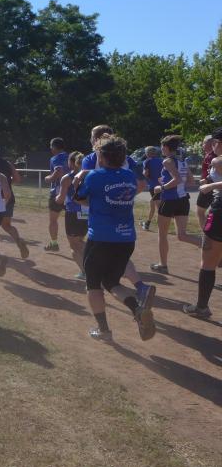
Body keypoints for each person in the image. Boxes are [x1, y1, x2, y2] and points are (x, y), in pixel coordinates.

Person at [74, 135, 156, 342]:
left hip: (100, 238)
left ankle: (104, 330)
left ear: (101, 157)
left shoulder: (94, 176)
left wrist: (77, 181)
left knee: (93, 286)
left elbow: (79, 198)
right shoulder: (129, 176)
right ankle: (138, 310)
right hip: (126, 238)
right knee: (111, 282)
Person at [81, 124, 153, 304]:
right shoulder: (126, 158)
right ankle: (140, 286)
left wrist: (105, 199)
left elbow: (82, 185)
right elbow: (141, 183)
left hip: (96, 213)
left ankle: (94, 282)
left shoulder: (91, 158)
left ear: (96, 140)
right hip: (123, 217)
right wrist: (123, 196)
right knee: (118, 253)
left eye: (91, 137)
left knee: (88, 249)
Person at [150, 135, 201, 273]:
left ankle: (163, 265)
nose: (161, 149)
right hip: (183, 200)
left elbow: (177, 179)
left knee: (162, 234)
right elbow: (191, 182)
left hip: (169, 200)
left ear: (166, 147)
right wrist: (167, 182)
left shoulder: (167, 161)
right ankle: (209, 245)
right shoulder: (182, 161)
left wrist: (162, 187)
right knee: (182, 235)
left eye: (162, 146)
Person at [186, 130, 222, 319]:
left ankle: (201, 308)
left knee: (208, 262)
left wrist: (210, 186)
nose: (213, 146)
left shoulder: (218, 160)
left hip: (220, 212)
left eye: (215, 142)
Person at [0, 143, 29, 259]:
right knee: (7, 225)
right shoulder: (7, 163)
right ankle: (18, 241)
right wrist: (7, 183)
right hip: (8, 198)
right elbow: (18, 179)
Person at [55, 152, 88, 279]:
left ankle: (87, 270)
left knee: (74, 245)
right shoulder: (89, 175)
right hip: (87, 212)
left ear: (71, 162)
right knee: (79, 241)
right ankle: (87, 269)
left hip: (73, 213)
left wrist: (56, 197)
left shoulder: (67, 178)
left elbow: (60, 199)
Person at [43, 137, 68, 252]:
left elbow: (58, 172)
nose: (50, 148)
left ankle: (54, 243)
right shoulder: (71, 157)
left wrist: (48, 178)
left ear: (54, 147)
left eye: (51, 146)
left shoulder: (55, 158)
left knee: (53, 220)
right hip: (71, 192)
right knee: (75, 218)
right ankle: (79, 242)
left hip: (57, 193)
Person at [195, 135, 215, 230]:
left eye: (203, 142)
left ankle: (206, 233)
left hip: (208, 187)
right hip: (211, 187)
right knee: (211, 212)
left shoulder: (211, 156)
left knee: (200, 212)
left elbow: (213, 172)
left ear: (210, 143)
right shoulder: (210, 155)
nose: (202, 145)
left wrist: (206, 179)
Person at [141, 146, 163, 230]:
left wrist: (143, 174)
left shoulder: (147, 161)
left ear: (147, 153)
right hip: (162, 185)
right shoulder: (161, 160)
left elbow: (145, 173)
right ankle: (147, 223)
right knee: (152, 203)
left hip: (153, 186)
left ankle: (161, 227)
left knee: (159, 207)